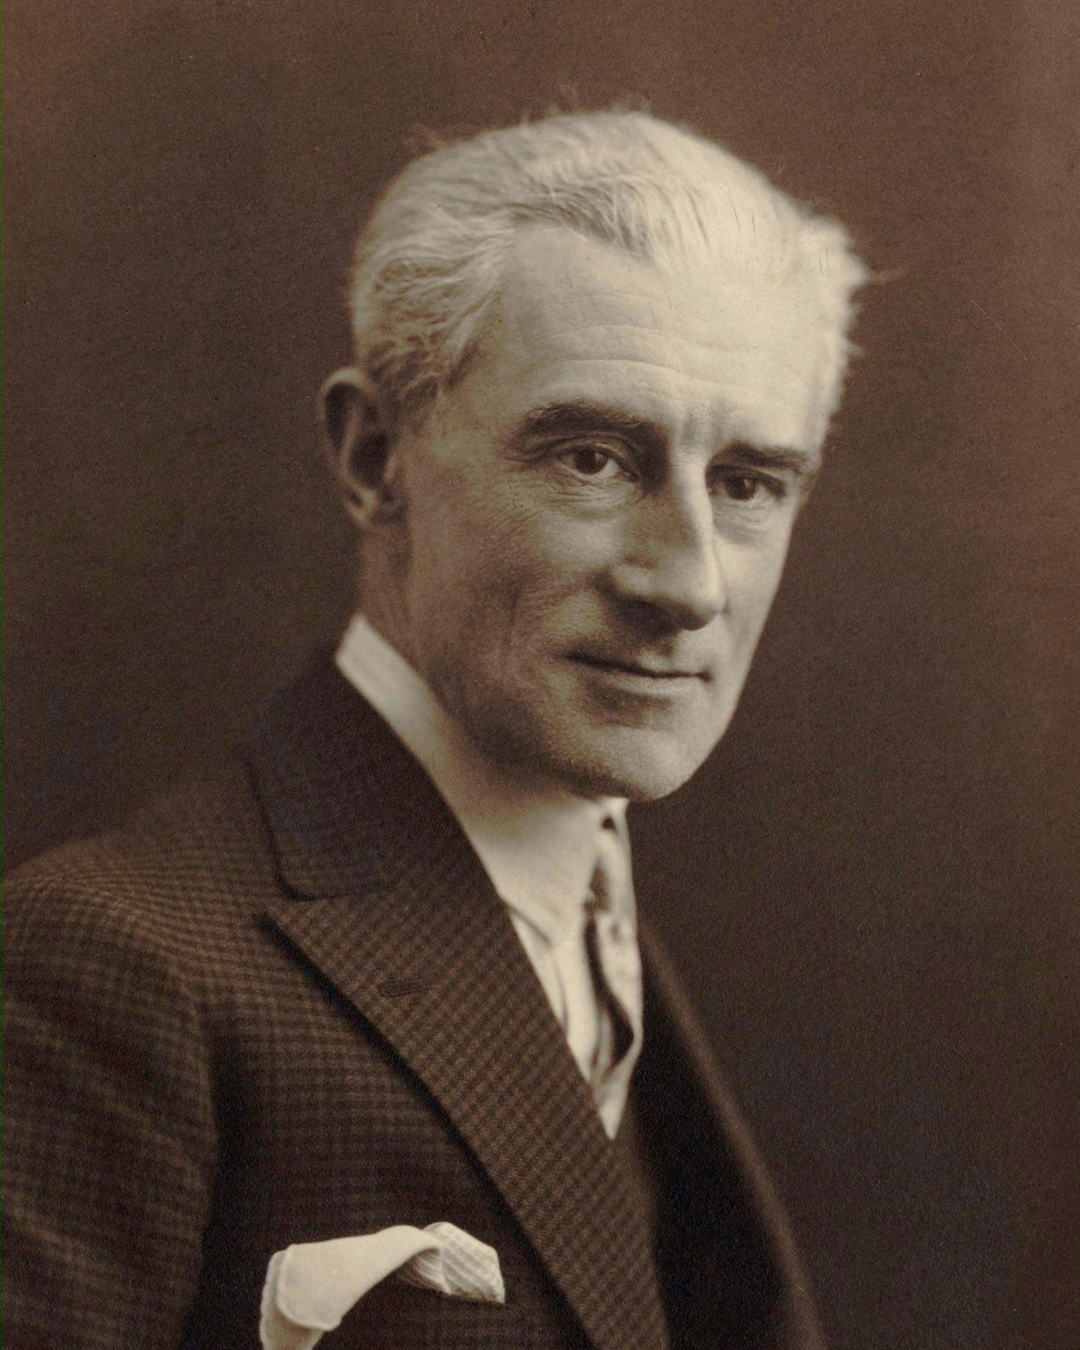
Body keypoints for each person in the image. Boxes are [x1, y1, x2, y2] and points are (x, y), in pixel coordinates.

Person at [2, 110, 867, 1350]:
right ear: (374, 458)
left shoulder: (617, 921)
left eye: (745, 485)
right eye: (592, 458)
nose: (689, 584)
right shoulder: (112, 967)